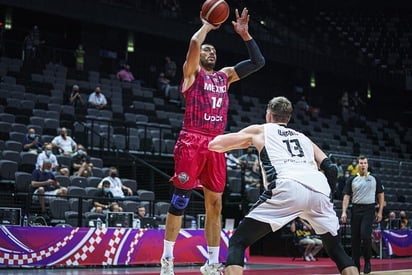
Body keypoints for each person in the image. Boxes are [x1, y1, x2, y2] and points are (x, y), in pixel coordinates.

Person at [160, 7, 265, 275]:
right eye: (208, 50)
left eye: (214, 51)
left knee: (215, 205)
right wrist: (207, 25)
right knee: (180, 200)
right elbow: (195, 42)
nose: (211, 52)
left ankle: (212, 263)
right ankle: (168, 259)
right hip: (192, 140)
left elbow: (257, 62)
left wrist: (245, 35)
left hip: (217, 143)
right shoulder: (191, 75)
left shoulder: (224, 76)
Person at [208, 96, 358, 275]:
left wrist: (237, 139)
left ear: (268, 115)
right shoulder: (304, 138)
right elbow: (331, 169)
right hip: (319, 190)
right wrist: (328, 196)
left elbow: (215, 145)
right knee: (336, 250)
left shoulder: (261, 130)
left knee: (238, 242)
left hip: (287, 187)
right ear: (288, 118)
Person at [341, 155, 384, 274]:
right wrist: (344, 211)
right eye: (361, 163)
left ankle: (367, 262)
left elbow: (381, 195)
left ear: (367, 164)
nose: (363, 165)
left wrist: (380, 211)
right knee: (355, 239)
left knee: (365, 236)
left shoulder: (374, 178)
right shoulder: (352, 179)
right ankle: (355, 264)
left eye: (365, 163)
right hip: (355, 209)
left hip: (369, 209)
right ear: (358, 165)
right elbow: (346, 196)